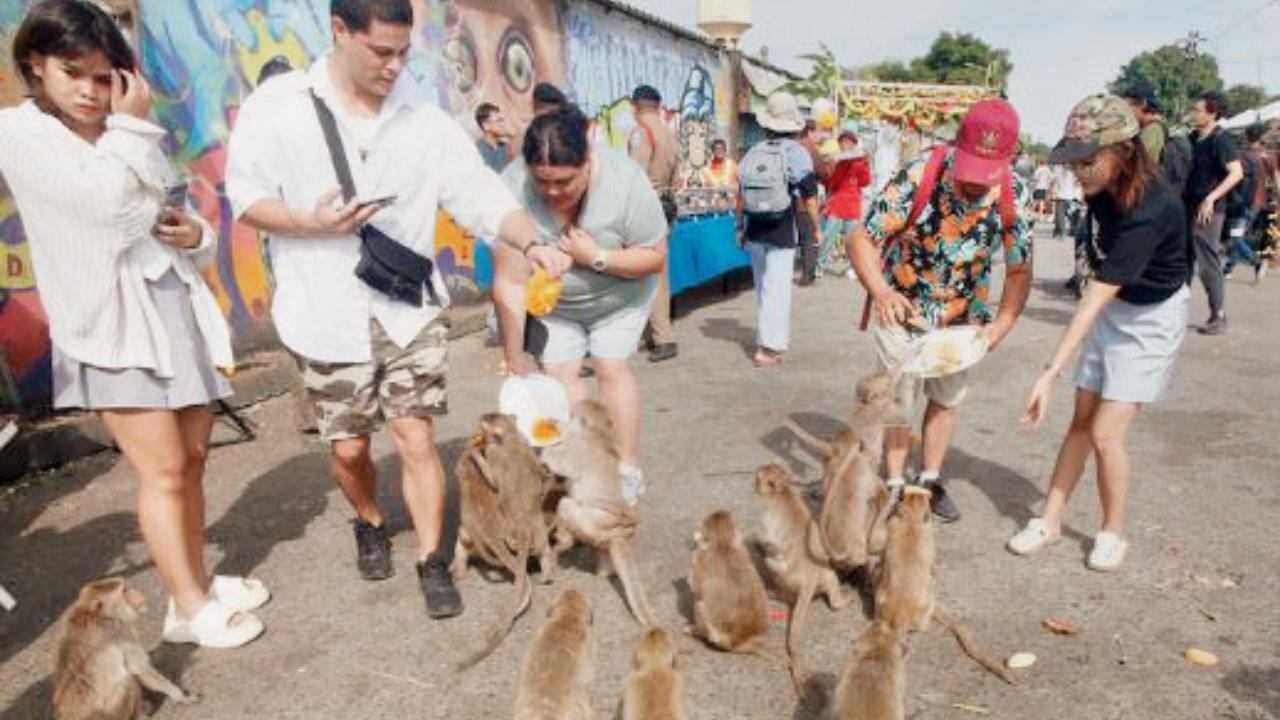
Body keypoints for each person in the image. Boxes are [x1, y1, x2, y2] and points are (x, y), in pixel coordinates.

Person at [225, 0, 569, 620]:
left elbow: (481, 197)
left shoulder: (423, 120)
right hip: (324, 311)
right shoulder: (278, 110)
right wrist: (307, 221)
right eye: (379, 51)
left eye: (402, 52)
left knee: (415, 434)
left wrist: (534, 241)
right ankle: (370, 518)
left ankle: (431, 561)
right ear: (339, 31)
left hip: (408, 308)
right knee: (351, 448)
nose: (393, 66)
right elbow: (245, 196)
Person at [1, 0, 265, 647]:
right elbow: (111, 215)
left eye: (103, 75)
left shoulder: (118, 128)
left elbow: (162, 210)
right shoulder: (22, 135)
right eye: (74, 73)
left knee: (195, 459)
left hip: (170, 307)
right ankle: (186, 607)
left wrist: (195, 232)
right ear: (36, 63)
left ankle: (194, 580)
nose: (91, 91)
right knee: (164, 469)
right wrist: (132, 128)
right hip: (112, 327)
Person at [1011, 95, 1190, 572]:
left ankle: (1113, 532)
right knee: (1081, 421)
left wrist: (1049, 373)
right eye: (1074, 160)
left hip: (1152, 315)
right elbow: (1100, 291)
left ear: (1125, 150)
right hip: (1116, 303)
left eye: (1089, 159)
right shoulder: (1099, 186)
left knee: (1107, 434)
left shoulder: (1152, 208)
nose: (1078, 172)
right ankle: (1049, 521)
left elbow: (1093, 298)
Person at [847, 98, 1033, 522]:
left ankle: (928, 481)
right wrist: (880, 291)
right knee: (897, 403)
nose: (974, 186)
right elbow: (862, 238)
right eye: (969, 174)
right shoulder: (919, 174)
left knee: (946, 402)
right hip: (903, 310)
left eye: (984, 176)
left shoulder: (1014, 196)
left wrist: (999, 327)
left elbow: (1020, 270)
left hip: (962, 322)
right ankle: (894, 486)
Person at [495, 106, 668, 505]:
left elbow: (654, 257)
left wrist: (596, 257)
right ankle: (584, 466)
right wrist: (514, 355)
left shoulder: (625, 181)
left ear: (588, 160)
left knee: (610, 366)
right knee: (559, 378)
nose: (552, 192)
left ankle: (625, 469)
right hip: (555, 304)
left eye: (564, 182)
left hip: (620, 294)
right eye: (542, 181)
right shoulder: (511, 188)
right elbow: (509, 282)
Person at [739, 91, 820, 369]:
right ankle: (768, 349)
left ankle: (766, 338)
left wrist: (740, 227)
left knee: (763, 287)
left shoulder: (753, 151)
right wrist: (817, 228)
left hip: (754, 227)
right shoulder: (796, 152)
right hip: (781, 227)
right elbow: (809, 194)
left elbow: (741, 193)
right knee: (778, 289)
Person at [628, 84, 681, 363]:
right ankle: (652, 333)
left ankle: (664, 338)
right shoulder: (670, 134)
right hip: (665, 205)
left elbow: (634, 175)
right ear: (658, 106)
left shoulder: (641, 132)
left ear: (635, 106)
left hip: (645, 207)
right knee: (658, 272)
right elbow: (676, 179)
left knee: (650, 275)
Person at [1185, 91, 1243, 335]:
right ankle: (1171, 310)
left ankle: (1218, 315)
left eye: (1198, 110)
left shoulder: (1222, 139)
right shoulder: (1192, 137)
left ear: (1212, 113)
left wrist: (1211, 198)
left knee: (1208, 262)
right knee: (1182, 259)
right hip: (1187, 206)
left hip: (1209, 210)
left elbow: (1236, 173)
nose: (1194, 114)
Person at [816, 122, 870, 277]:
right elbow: (832, 183)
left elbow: (865, 182)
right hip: (837, 204)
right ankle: (819, 265)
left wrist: (864, 164)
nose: (847, 144)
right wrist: (840, 165)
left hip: (852, 206)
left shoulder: (859, 162)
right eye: (844, 141)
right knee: (828, 238)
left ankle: (851, 267)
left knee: (852, 240)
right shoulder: (836, 160)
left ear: (854, 143)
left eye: (850, 141)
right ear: (840, 142)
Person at [1224, 123, 1277, 280]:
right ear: (1261, 137)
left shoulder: (1240, 155)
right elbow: (1275, 180)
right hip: (1258, 203)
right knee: (1238, 234)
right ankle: (1229, 268)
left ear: (1247, 137)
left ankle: (1255, 260)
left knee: (1236, 236)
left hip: (1242, 201)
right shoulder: (1269, 157)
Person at [795, 119, 830, 285]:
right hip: (806, 199)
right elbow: (823, 172)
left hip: (795, 199)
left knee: (803, 237)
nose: (820, 135)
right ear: (809, 132)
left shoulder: (796, 147)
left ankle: (807, 272)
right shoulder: (809, 148)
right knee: (809, 236)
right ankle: (809, 274)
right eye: (818, 131)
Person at [474, 101, 512, 173]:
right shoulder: (477, 152)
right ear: (486, 125)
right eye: (499, 121)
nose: (502, 124)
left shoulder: (506, 147)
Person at [1051, 161, 1083, 238]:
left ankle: (1062, 231)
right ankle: (1064, 230)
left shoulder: (1060, 168)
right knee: (1070, 214)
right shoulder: (1074, 169)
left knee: (1061, 215)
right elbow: (1078, 183)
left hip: (1066, 195)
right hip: (1068, 195)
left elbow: (1054, 181)